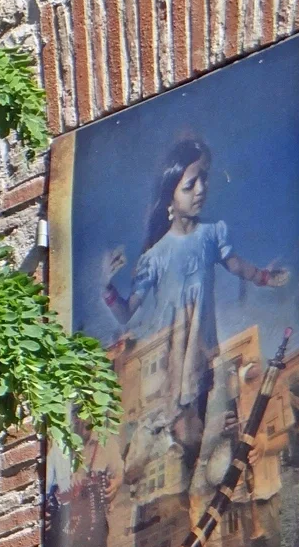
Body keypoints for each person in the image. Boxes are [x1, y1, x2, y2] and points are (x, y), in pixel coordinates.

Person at [101, 138, 288, 488]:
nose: (200, 189)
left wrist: (266, 277)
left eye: (204, 179)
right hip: (172, 359)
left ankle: (202, 471)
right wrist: (107, 287)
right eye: (190, 184)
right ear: (170, 195)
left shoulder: (210, 235)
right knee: (181, 426)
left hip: (204, 353)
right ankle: (163, 453)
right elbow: (127, 314)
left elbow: (237, 266)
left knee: (206, 426)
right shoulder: (154, 257)